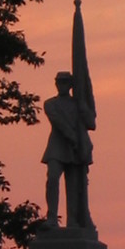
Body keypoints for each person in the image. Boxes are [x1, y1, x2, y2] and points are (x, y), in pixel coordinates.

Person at [41, 70, 95, 229]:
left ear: (71, 85)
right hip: (58, 147)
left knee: (73, 186)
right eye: (59, 82)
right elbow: (58, 122)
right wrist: (72, 136)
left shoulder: (77, 104)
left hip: (74, 149)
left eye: (65, 82)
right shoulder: (50, 103)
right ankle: (51, 217)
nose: (61, 85)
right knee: (52, 178)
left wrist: (84, 107)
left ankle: (72, 220)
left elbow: (91, 123)